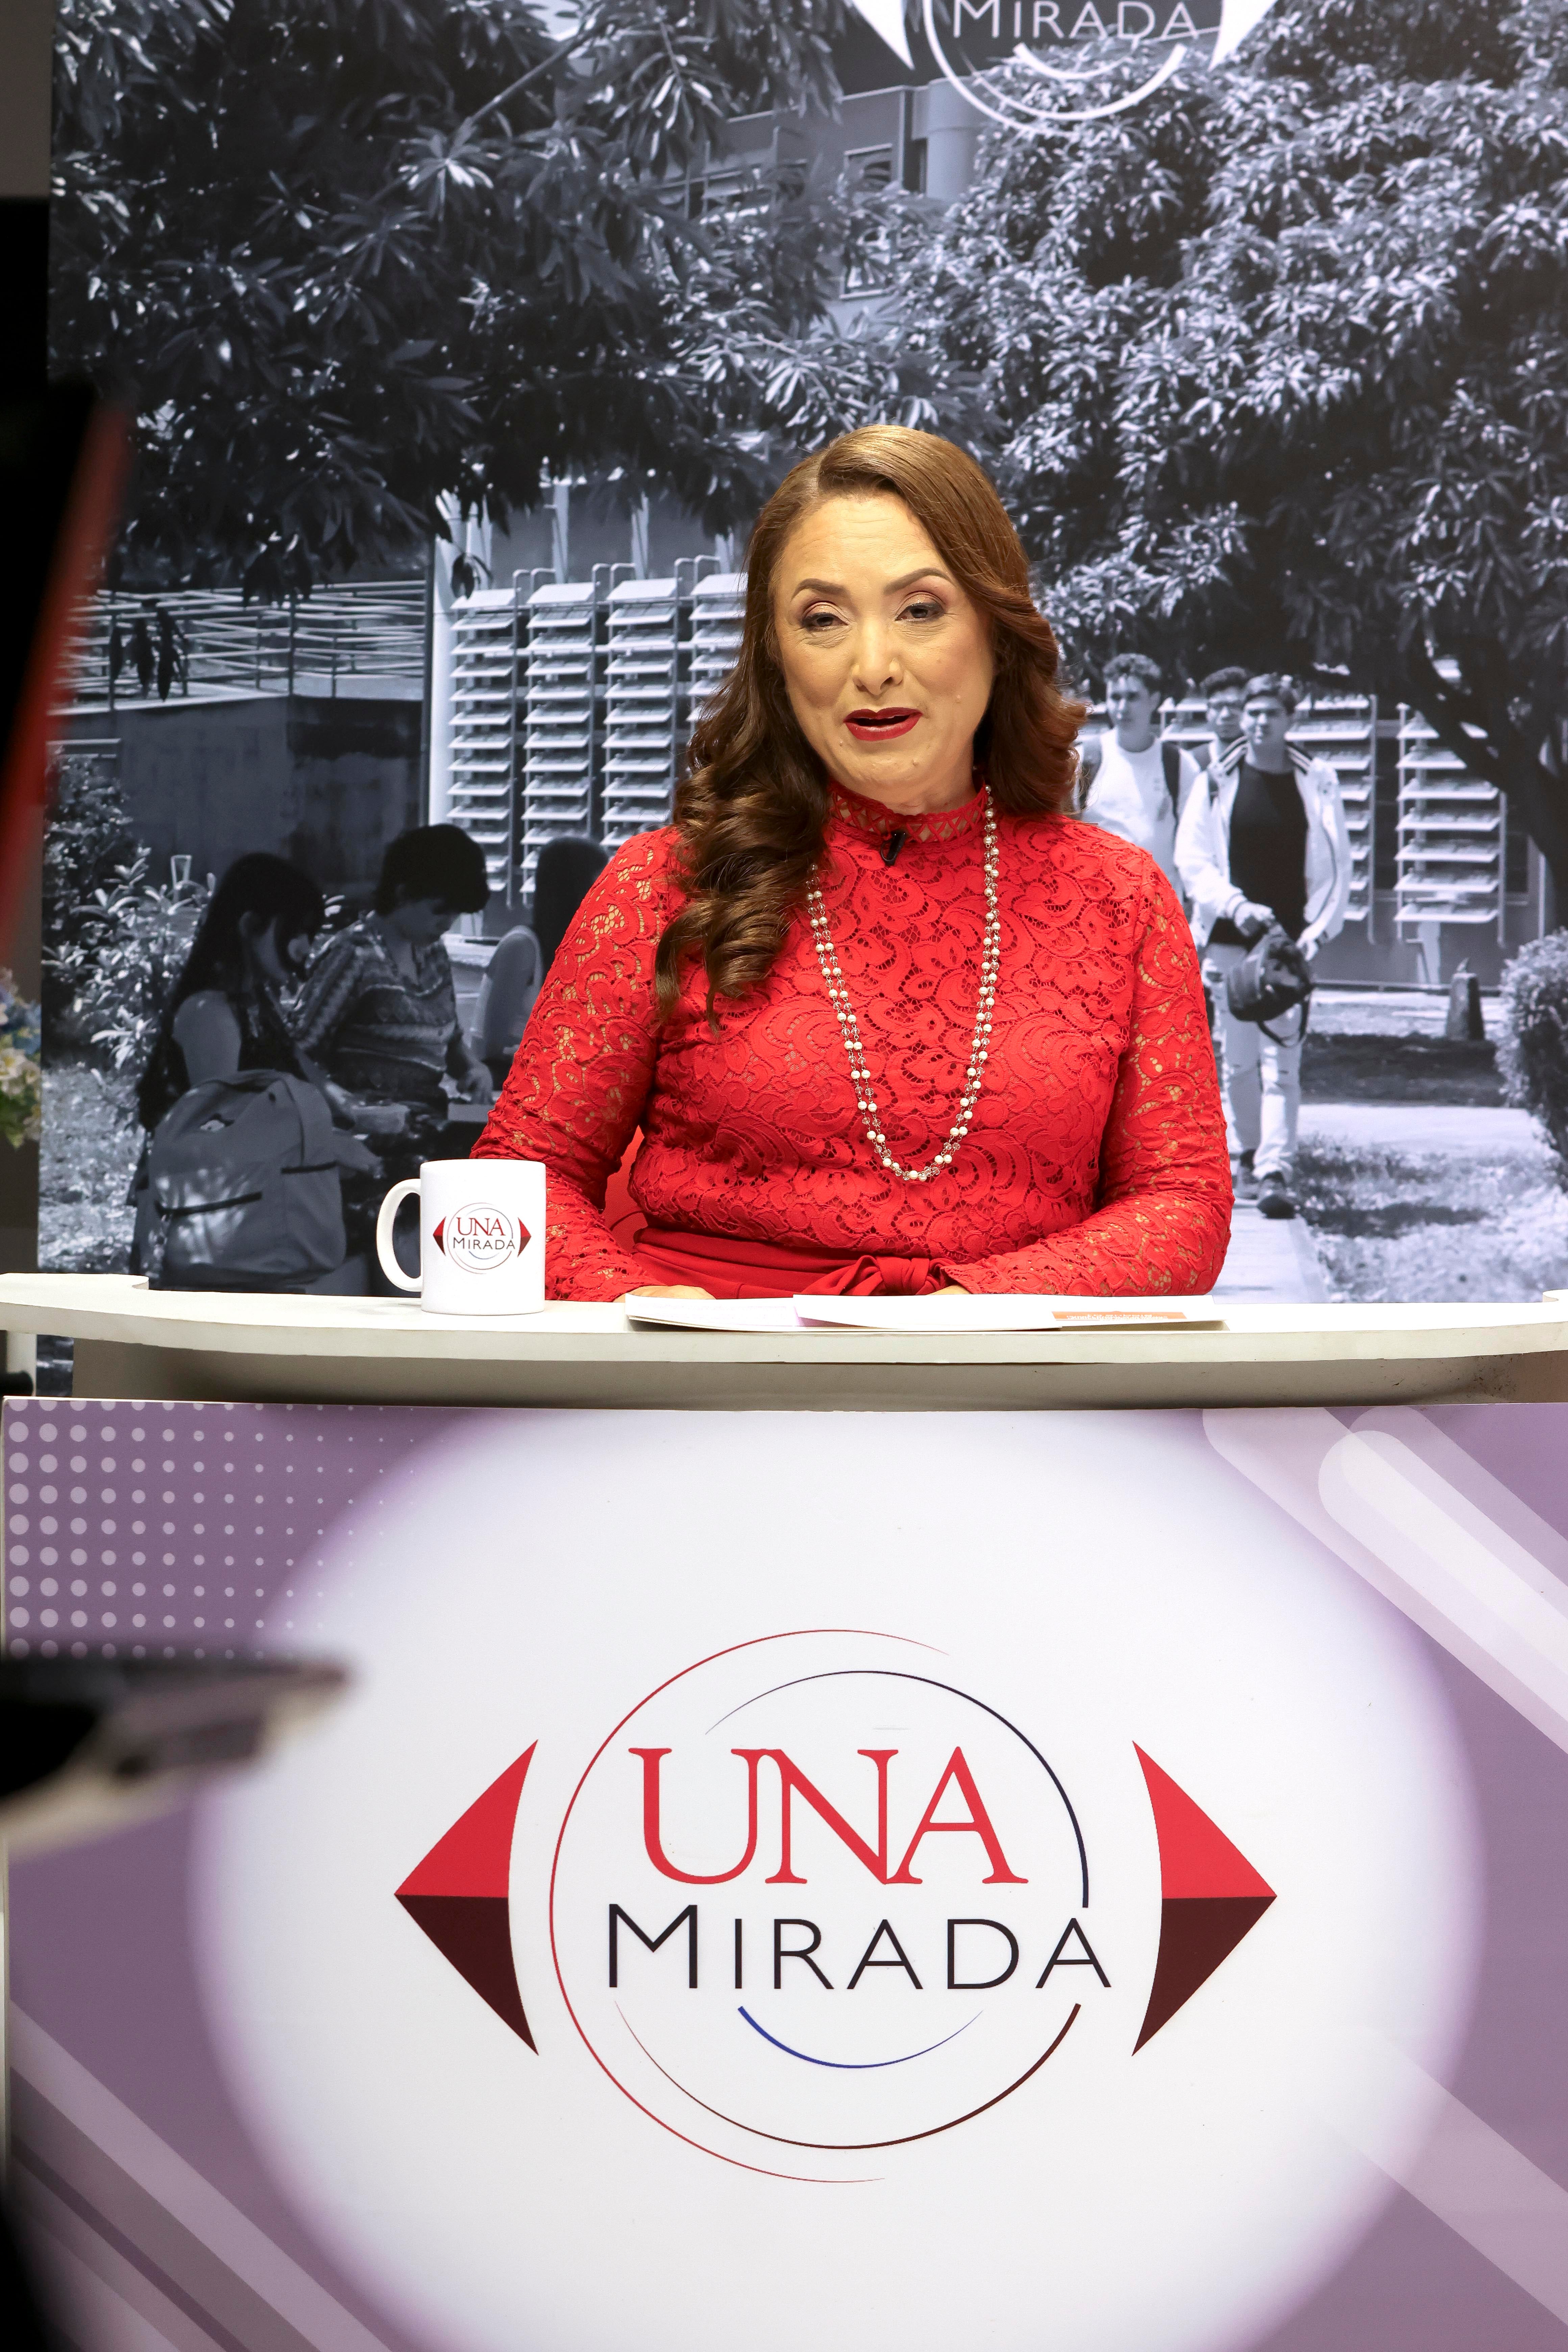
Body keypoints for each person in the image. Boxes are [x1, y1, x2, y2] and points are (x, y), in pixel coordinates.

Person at [471, 426, 1231, 1300]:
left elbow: (1183, 1205)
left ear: (997, 628)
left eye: (920, 610)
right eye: (822, 620)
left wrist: (968, 1312)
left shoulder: (1118, 898)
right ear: (775, 656)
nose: (873, 667)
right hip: (710, 1370)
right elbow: (513, 1180)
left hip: (1003, 1373)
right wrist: (631, 1303)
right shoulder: (664, 884)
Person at [132, 852, 376, 1280]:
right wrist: (333, 1148)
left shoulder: (257, 1005)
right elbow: (232, 1137)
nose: (305, 948)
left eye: (310, 934)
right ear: (249, 926)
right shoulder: (210, 1013)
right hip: (209, 1227)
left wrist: (354, 1115)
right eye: (296, 931)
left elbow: (305, 1081)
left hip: (245, 1216)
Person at [1176, 675, 1350, 1222]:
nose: (1259, 722)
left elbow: (1339, 869)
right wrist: (1235, 905)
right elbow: (1192, 859)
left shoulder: (1317, 781)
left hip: (1287, 947)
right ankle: (1248, 1156)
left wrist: (1312, 936)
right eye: (1252, 713)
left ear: (1290, 719)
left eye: (1271, 713)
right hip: (1231, 943)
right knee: (1239, 1062)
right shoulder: (1215, 779)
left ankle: (1276, 1170)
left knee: (1283, 1065)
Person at [294, 825, 496, 1260]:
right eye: (438, 912)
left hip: (428, 1124)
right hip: (375, 1136)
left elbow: (449, 1039)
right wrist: (345, 1103)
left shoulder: (434, 955)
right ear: (404, 894)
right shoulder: (353, 955)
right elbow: (297, 1049)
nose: (445, 925)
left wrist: (471, 1068)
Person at [1076, 653, 1200, 896]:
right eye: (1115, 698)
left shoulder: (1180, 765)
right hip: (1099, 903)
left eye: (1133, 697)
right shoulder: (1084, 761)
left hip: (1159, 904)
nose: (1123, 708)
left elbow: (1194, 844)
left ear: (1154, 700)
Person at [1198, 667, 1249, 774]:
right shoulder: (1192, 763)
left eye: (1235, 705)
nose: (1226, 715)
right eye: (1218, 706)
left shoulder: (1267, 762)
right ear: (1208, 712)